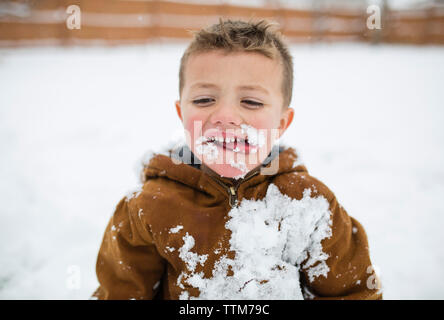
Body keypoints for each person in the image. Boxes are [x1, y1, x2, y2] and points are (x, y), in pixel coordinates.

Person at [92, 19, 382, 300]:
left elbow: (353, 293)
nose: (225, 117)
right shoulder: (147, 207)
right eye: (204, 100)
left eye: (251, 102)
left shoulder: (309, 205)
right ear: (182, 114)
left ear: (282, 122)